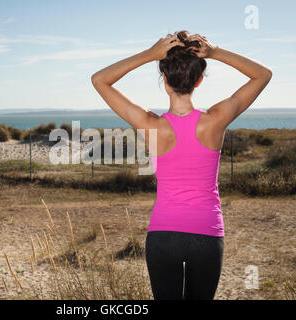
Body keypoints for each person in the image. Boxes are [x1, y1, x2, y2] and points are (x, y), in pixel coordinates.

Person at [91, 30, 272, 300]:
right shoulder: (215, 120)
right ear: (199, 80)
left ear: (164, 79)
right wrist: (215, 52)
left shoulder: (150, 125)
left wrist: (148, 55)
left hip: (163, 235)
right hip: (207, 234)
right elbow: (263, 75)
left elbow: (99, 80)